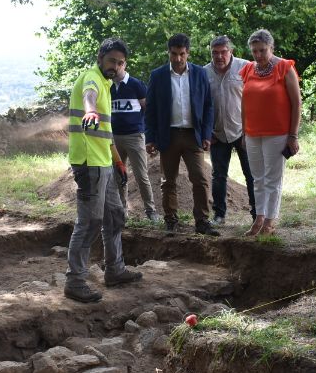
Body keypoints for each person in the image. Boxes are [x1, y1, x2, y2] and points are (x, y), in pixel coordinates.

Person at [64, 38, 143, 303]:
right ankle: (75, 281)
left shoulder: (108, 85)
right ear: (100, 57)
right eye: (112, 61)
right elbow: (90, 97)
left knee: (114, 216)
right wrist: (90, 111)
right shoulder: (93, 79)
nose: (116, 66)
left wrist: (118, 160)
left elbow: (107, 132)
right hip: (89, 163)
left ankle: (115, 270)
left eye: (121, 63)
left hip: (104, 162)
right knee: (89, 222)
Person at [144, 33, 219, 236]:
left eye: (182, 54)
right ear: (168, 52)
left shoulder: (199, 74)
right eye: (174, 54)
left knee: (200, 179)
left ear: (188, 53)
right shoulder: (158, 75)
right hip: (167, 136)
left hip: (193, 135)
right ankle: (171, 220)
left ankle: (202, 221)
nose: (178, 59)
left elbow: (208, 106)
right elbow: (150, 109)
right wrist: (150, 138)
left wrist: (206, 133)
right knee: (168, 181)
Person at [240, 29, 301, 237]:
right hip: (252, 133)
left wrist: (293, 135)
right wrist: (243, 131)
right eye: (254, 51)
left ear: (272, 48)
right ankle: (258, 218)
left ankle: (269, 221)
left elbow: (296, 103)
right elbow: (244, 104)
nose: (258, 55)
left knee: (272, 179)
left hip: (277, 133)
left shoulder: (284, 67)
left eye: (262, 50)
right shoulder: (248, 69)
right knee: (256, 178)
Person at [204, 35, 256, 226]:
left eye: (223, 52)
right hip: (217, 133)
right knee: (218, 176)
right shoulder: (204, 72)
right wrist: (207, 132)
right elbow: (200, 105)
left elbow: (255, 99)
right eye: (214, 52)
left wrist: (250, 129)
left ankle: (257, 214)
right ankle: (219, 215)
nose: (219, 56)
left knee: (251, 175)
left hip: (243, 131)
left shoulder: (246, 67)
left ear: (231, 51)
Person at [110, 60, 160, 222]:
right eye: (113, 65)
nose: (116, 68)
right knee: (119, 175)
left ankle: (151, 211)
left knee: (141, 176)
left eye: (119, 64)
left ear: (124, 65)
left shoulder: (136, 84)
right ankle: (121, 211)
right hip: (114, 138)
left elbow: (148, 109)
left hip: (135, 136)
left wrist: (148, 133)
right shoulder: (107, 87)